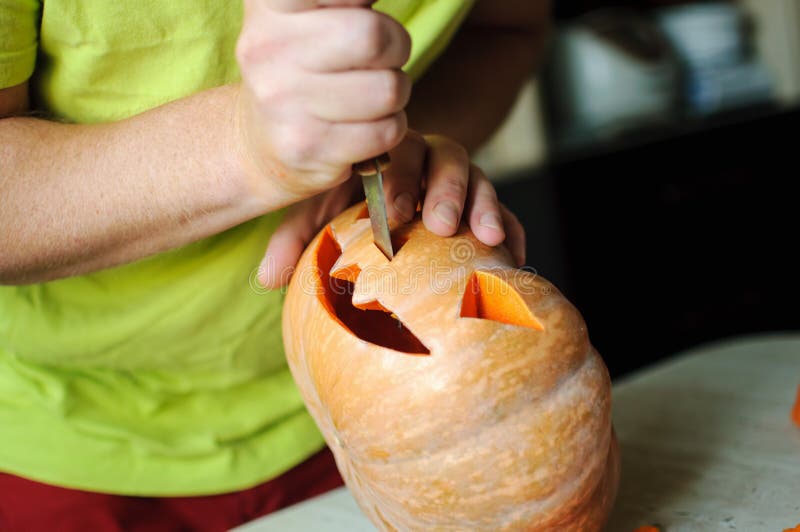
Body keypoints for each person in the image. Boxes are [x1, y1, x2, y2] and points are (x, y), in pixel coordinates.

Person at [0, 0, 550, 529]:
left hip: (386, 428)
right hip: (61, 443)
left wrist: (377, 145)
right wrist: (247, 148)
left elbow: (502, 29)